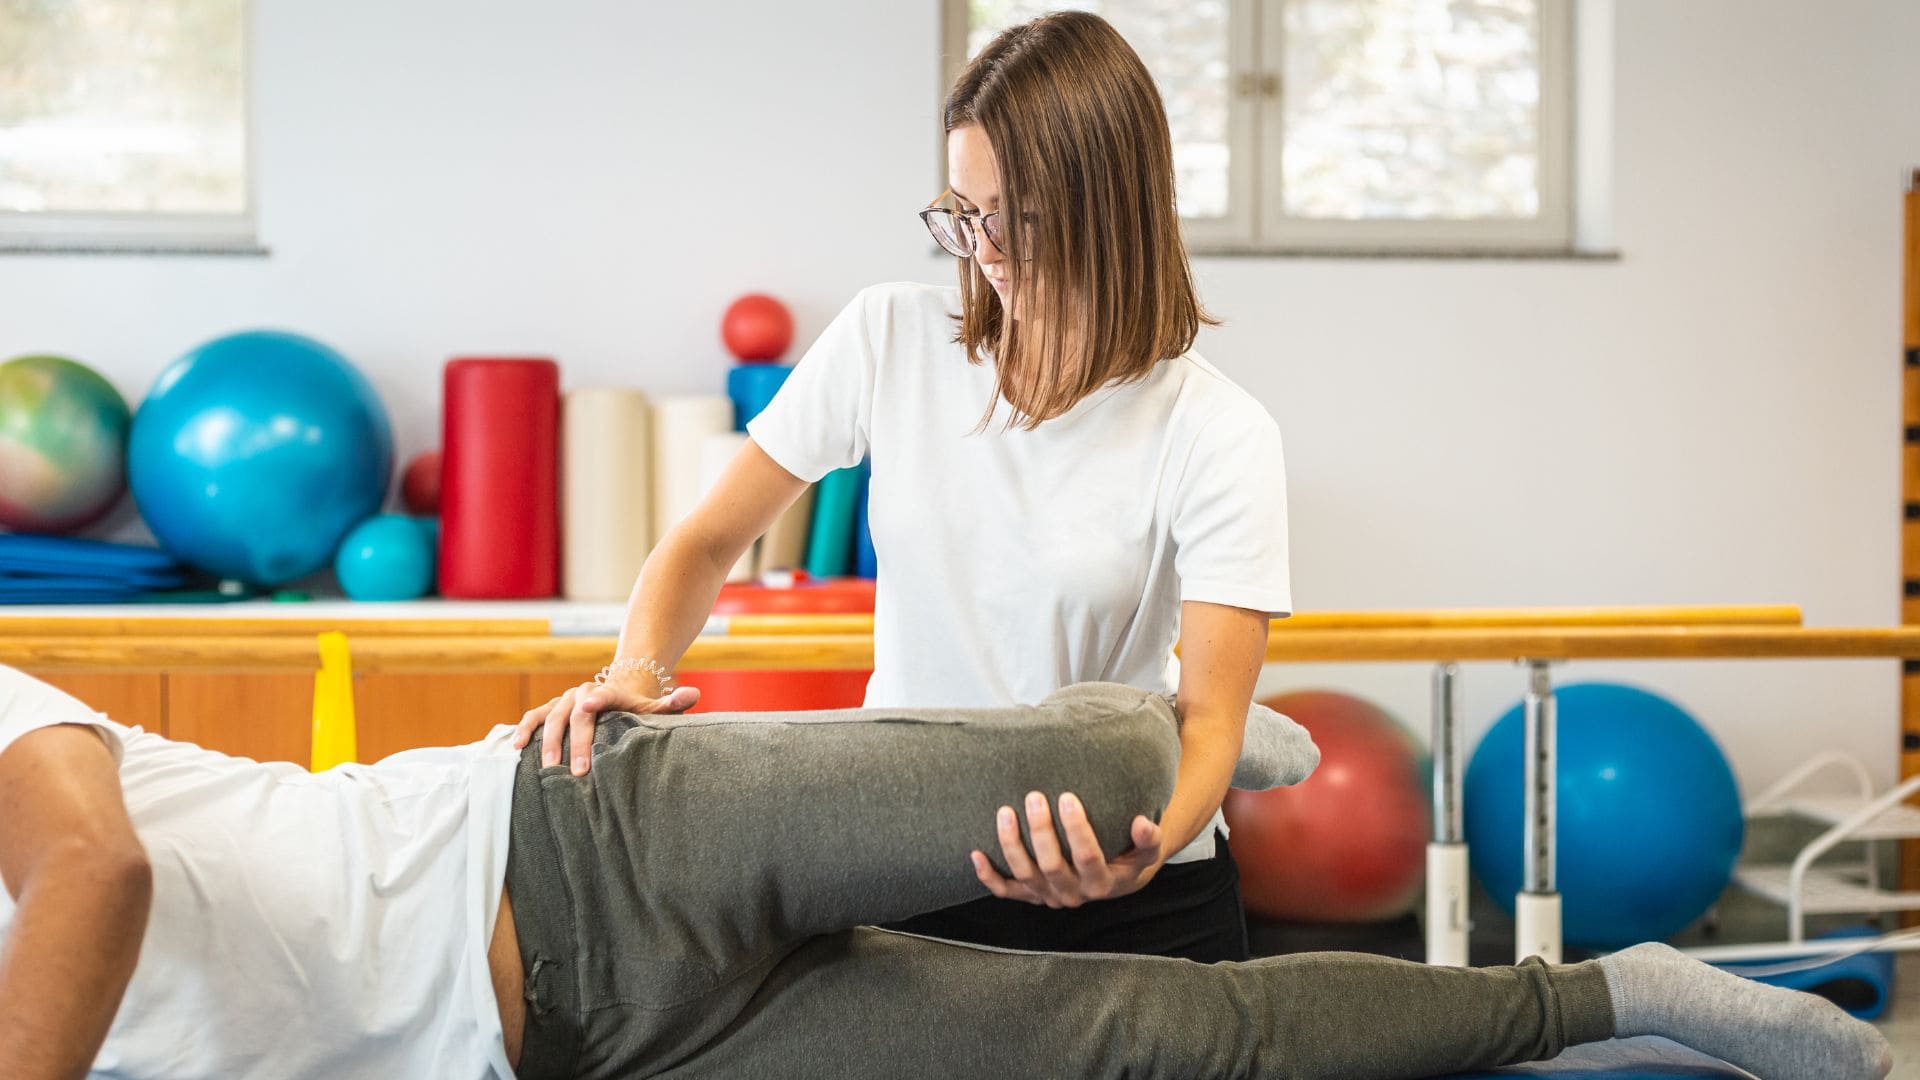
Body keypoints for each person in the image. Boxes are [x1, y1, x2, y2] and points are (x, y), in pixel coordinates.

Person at [0, 666, 1891, 1079]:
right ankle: (1617, 992)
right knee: (1168, 1048)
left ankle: (1155, 714)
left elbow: (94, 877)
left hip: (582, 831)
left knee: (1104, 781)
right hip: (601, 1058)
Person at [515, 9, 1286, 963]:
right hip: (910, 862)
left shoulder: (1218, 430)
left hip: (1133, 885)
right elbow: (708, 542)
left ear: (1114, 203)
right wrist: (631, 675)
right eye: (965, 215)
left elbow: (1212, 718)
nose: (987, 251)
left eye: (1019, 218)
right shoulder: (889, 339)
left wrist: (1146, 849)